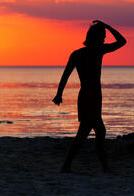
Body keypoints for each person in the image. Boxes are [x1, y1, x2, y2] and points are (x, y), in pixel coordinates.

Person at [53, 20, 127, 173]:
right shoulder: (95, 51)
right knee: (90, 131)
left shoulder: (83, 52)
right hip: (89, 96)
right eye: (103, 35)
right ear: (96, 36)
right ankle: (71, 166)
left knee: (95, 131)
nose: (105, 38)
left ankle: (97, 166)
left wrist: (59, 94)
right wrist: (107, 25)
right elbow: (122, 41)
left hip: (91, 96)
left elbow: (65, 75)